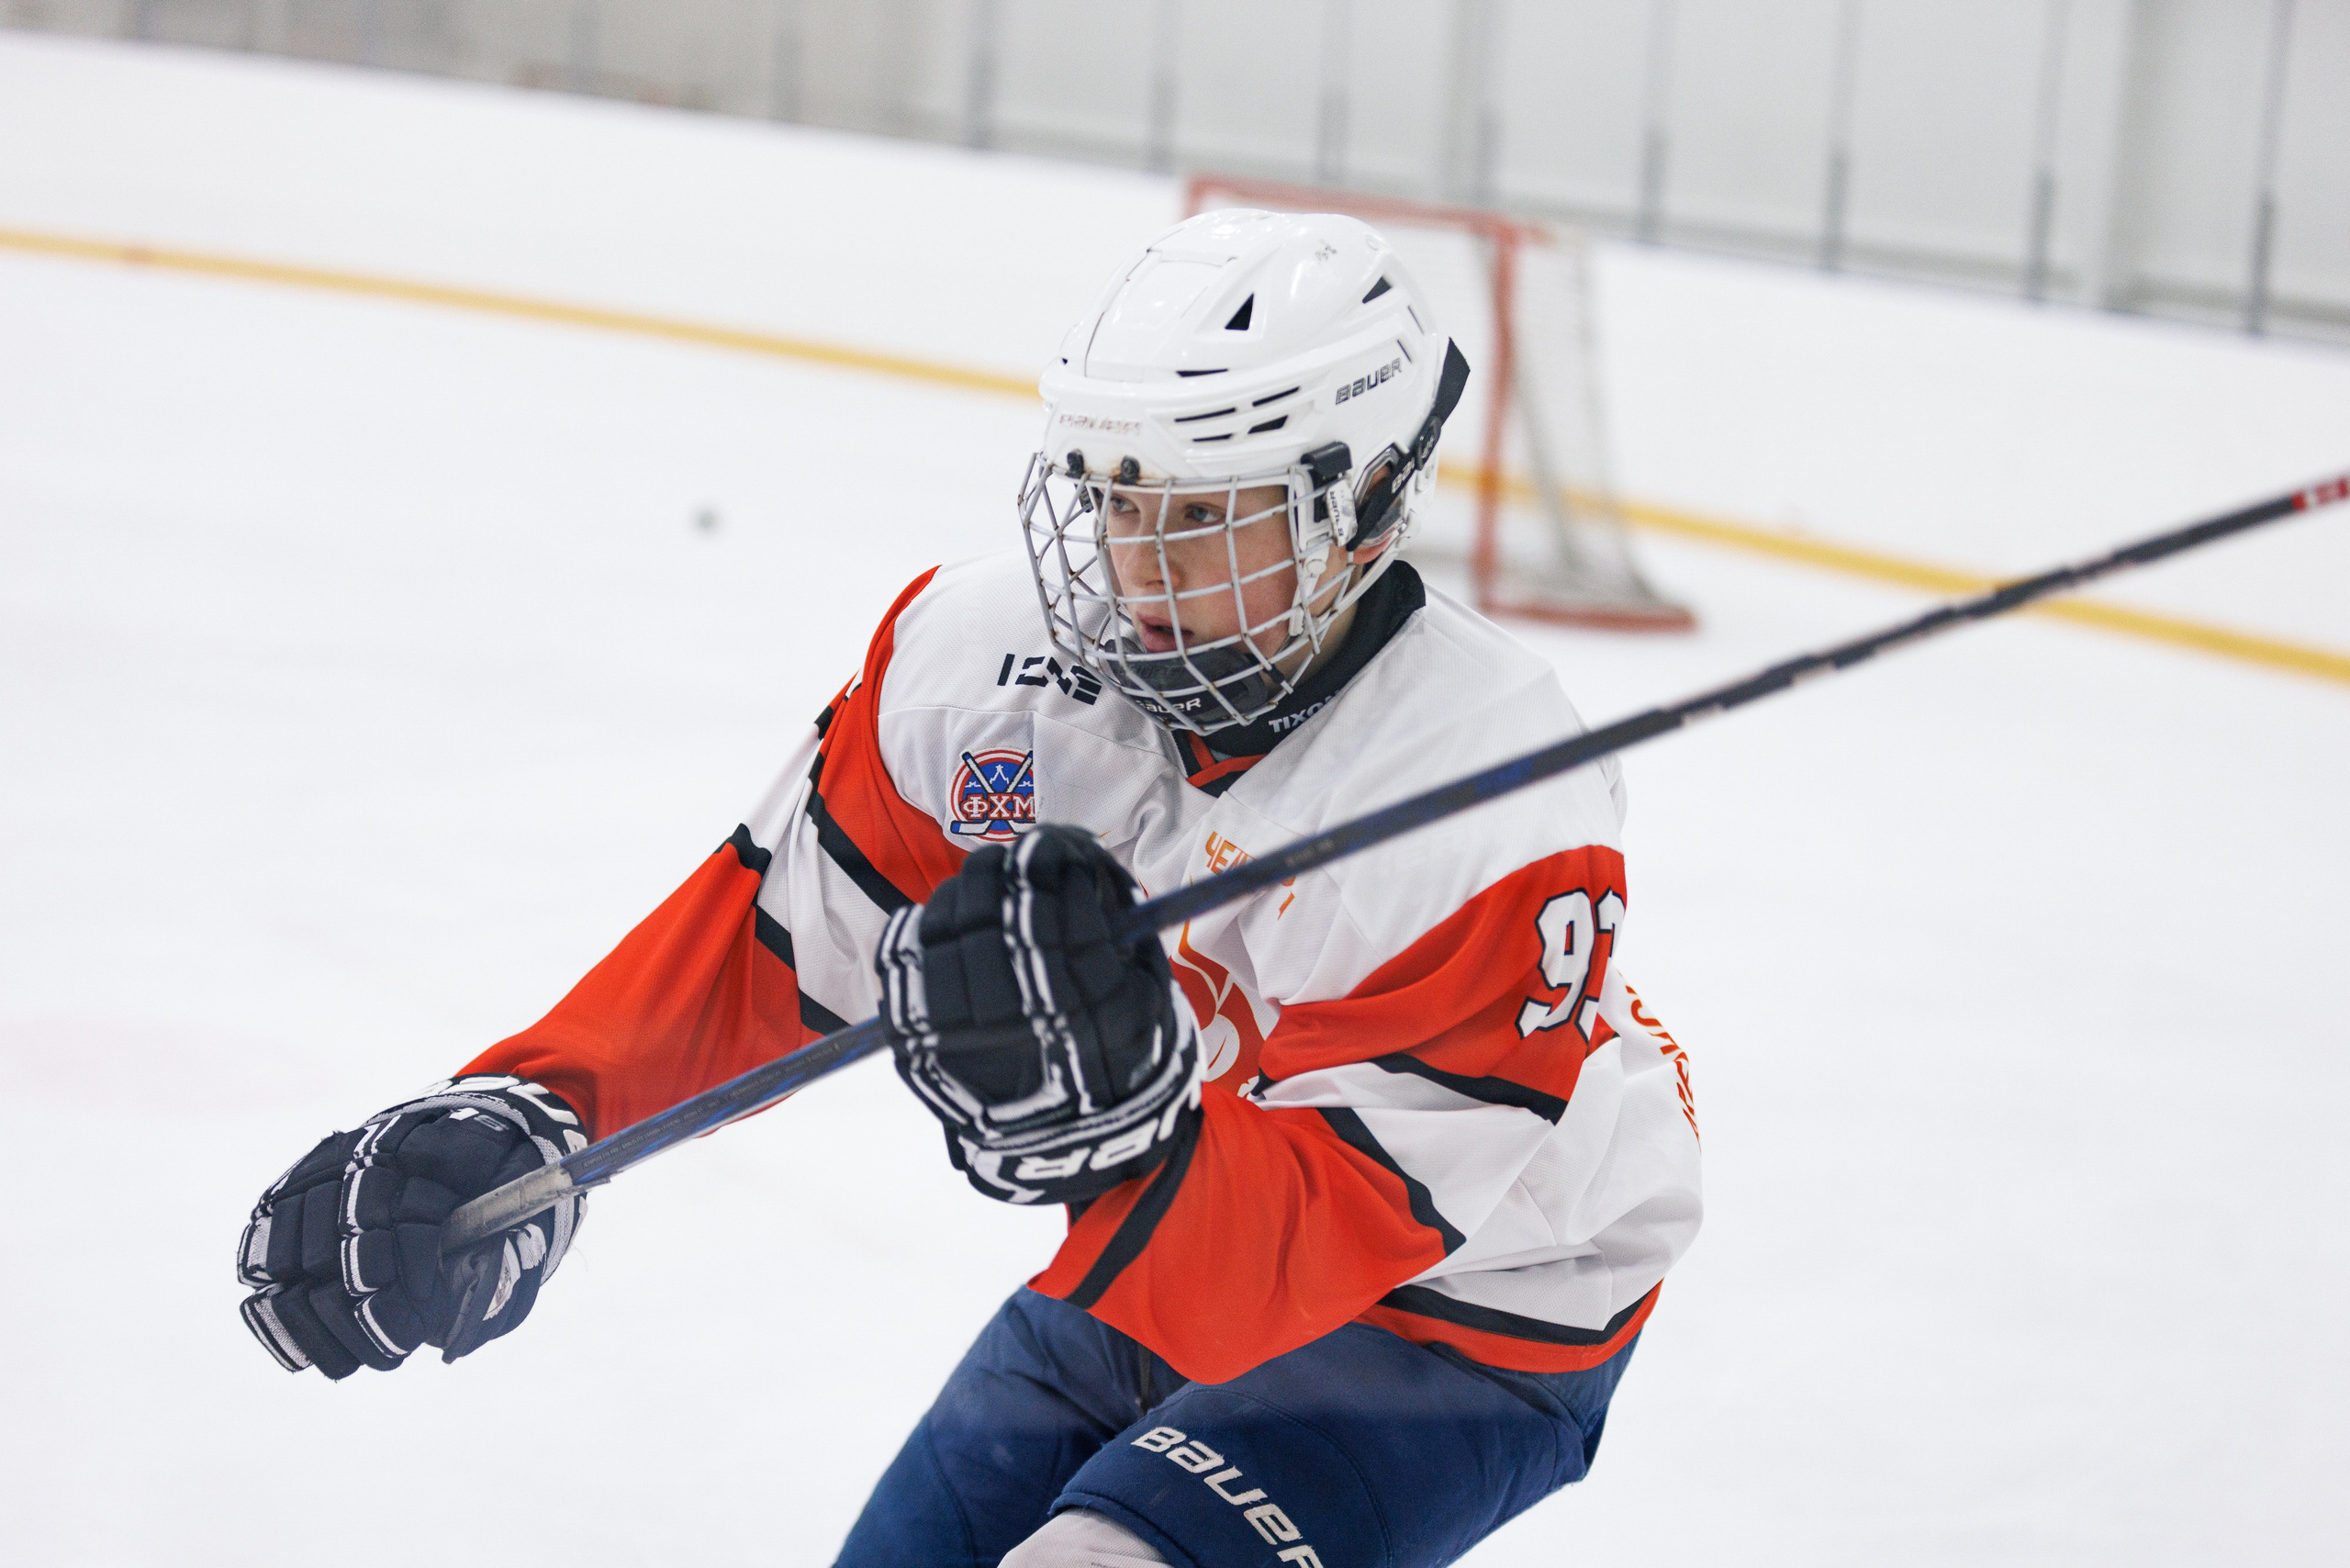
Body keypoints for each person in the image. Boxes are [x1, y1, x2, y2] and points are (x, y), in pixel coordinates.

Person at [233, 208, 1704, 1566]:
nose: (1135, 564)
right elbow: (779, 945)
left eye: (1203, 515)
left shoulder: (1499, 797)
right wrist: (539, 1118)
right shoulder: (983, 669)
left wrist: (1118, 1140)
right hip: (1142, 1249)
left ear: (1361, 505)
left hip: (1468, 1321)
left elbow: (1324, 1231)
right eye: (1120, 497)